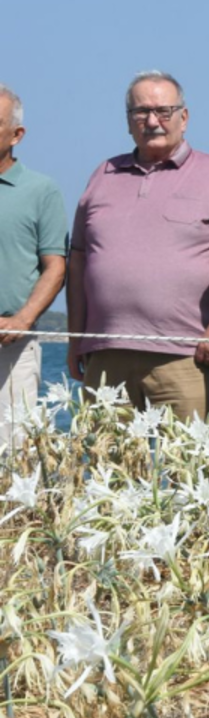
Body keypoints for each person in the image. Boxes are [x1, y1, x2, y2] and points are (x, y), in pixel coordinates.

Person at [68, 71, 209, 421]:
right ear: (128, 122)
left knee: (192, 472)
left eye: (163, 111)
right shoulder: (102, 174)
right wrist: (75, 337)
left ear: (184, 118)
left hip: (188, 358)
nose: (152, 121)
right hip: (106, 355)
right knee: (108, 472)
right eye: (141, 112)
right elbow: (77, 261)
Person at [0, 83, 66, 447]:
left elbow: (56, 267)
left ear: (17, 134)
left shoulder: (42, 190)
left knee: (11, 455)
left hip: (12, 346)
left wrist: (23, 319)